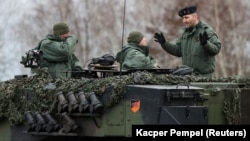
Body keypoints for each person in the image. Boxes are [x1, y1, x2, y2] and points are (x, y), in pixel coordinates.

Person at [154, 6, 221, 77]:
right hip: (188, 77)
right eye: (183, 18)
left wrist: (206, 44)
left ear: (195, 17)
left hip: (204, 78)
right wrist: (165, 44)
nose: (184, 21)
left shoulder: (207, 31)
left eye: (186, 17)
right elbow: (178, 51)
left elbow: (216, 49)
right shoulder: (184, 33)